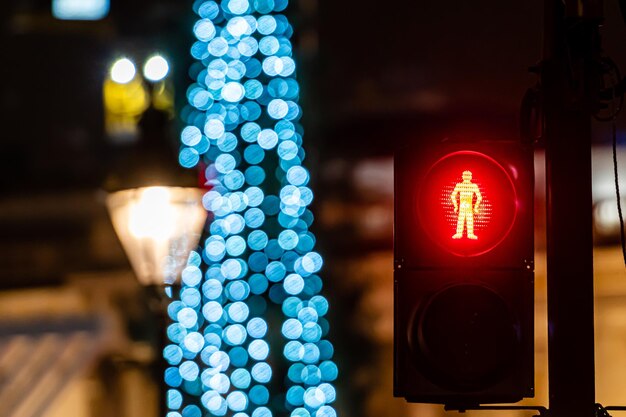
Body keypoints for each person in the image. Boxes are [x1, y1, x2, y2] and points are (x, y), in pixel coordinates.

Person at [450, 170, 482, 240]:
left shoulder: (473, 186)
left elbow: (479, 197)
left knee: (468, 219)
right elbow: (452, 195)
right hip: (464, 206)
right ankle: (460, 233)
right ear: (462, 176)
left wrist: (476, 207)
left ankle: (469, 234)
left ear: (471, 177)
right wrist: (455, 206)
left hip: (468, 207)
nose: (467, 177)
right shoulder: (460, 185)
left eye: (468, 175)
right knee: (462, 219)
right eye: (466, 175)